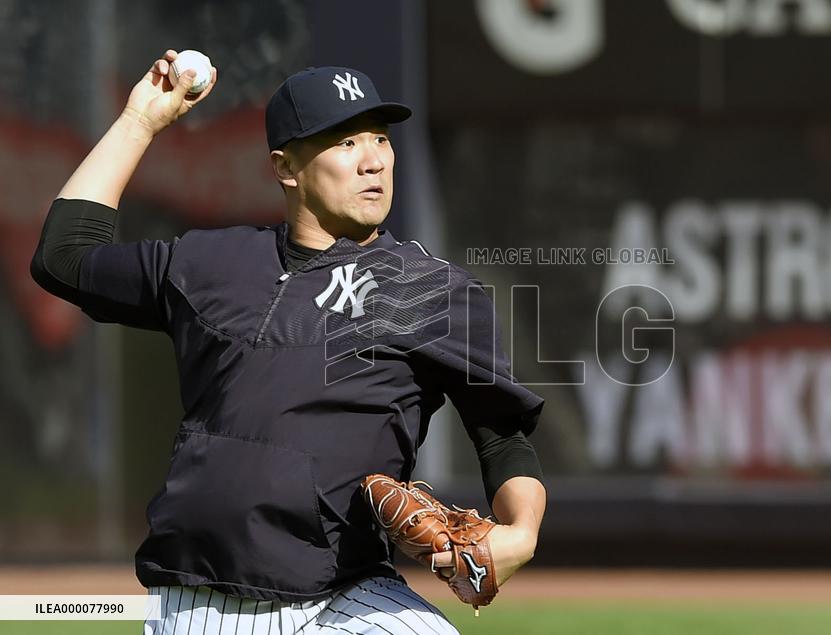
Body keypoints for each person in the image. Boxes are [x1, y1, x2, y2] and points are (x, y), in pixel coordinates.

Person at [31, 50, 546, 635]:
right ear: (287, 167)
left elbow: (502, 436)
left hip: (349, 592)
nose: (373, 161)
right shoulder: (210, 263)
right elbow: (64, 259)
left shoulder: (434, 291)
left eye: (379, 138)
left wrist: (520, 534)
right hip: (207, 599)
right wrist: (138, 123)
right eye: (345, 143)